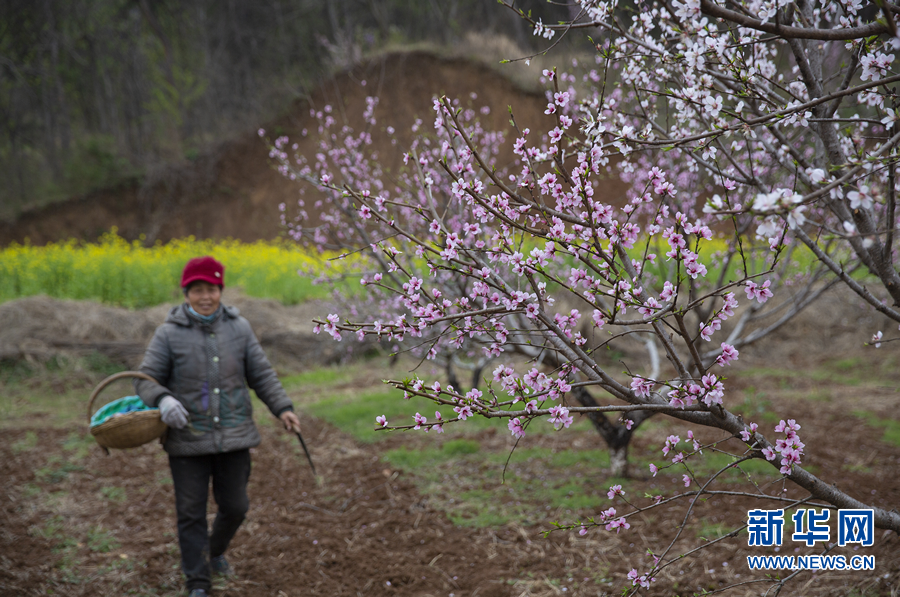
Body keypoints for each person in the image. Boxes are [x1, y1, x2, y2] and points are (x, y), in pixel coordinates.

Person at [134, 255, 301, 597]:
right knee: (190, 512)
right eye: (197, 289)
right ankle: (198, 581)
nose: (205, 296)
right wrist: (164, 399)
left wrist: (282, 408)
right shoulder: (168, 333)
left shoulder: (239, 328)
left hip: (234, 436)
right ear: (186, 293)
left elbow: (261, 373)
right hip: (187, 439)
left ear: (220, 290)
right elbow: (145, 379)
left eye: (210, 288)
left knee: (236, 506)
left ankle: (214, 551)